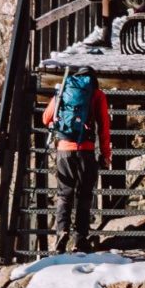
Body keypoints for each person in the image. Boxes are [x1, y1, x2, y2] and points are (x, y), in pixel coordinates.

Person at [42, 64, 112, 252]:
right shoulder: (97, 95)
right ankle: (80, 239)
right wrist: (106, 155)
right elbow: (104, 128)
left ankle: (62, 231)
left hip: (64, 150)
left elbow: (45, 118)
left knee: (65, 195)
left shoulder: (64, 89)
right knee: (84, 195)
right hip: (86, 151)